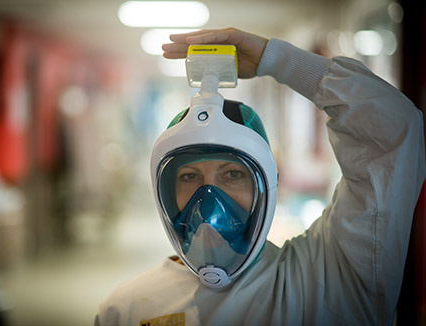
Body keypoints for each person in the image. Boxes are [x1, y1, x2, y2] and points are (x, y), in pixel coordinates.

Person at [95, 28, 425, 325]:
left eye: (233, 174)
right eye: (189, 177)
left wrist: (278, 60)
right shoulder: (126, 311)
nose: (208, 202)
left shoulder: (325, 279)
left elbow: (391, 130)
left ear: (266, 186)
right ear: (165, 192)